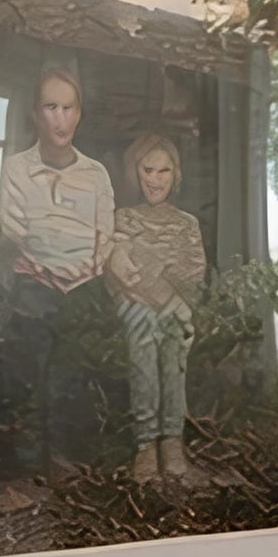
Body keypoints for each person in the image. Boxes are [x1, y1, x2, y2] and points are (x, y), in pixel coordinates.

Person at [0, 65, 113, 469]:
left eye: (68, 108)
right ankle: (28, 468)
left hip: (84, 287)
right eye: (50, 107)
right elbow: (14, 230)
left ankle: (67, 464)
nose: (60, 119)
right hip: (35, 283)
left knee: (73, 378)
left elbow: (104, 235)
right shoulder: (16, 168)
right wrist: (50, 272)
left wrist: (83, 274)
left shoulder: (95, 174)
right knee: (29, 374)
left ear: (79, 113)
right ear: (35, 114)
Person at [103, 130, 209, 486]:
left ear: (175, 175)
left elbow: (192, 276)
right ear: (136, 171)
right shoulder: (125, 219)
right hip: (136, 306)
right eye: (148, 170)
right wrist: (162, 285)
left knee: (174, 334)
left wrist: (170, 294)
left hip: (174, 309)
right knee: (143, 327)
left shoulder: (186, 224)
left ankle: (172, 440)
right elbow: (126, 275)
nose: (155, 179)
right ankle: (146, 443)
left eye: (163, 172)